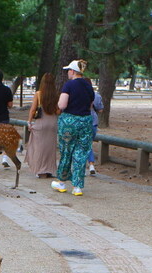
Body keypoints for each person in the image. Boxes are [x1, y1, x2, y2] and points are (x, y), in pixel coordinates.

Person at [51, 59, 94, 196]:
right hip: (86, 121)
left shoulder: (69, 85)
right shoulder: (88, 86)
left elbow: (62, 105)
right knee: (81, 153)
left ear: (73, 71)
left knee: (66, 151)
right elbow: (91, 105)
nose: (68, 73)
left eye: (69, 70)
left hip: (70, 121)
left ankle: (62, 182)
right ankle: (77, 186)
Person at [24, 73, 58, 179]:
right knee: (50, 148)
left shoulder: (39, 94)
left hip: (41, 122)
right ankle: (49, 169)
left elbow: (33, 109)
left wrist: (29, 122)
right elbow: (58, 110)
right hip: (52, 122)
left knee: (39, 147)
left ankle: (40, 169)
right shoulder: (56, 95)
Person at [86, 83, 103, 176]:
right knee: (88, 144)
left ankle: (85, 165)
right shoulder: (96, 95)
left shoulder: (78, 93)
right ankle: (91, 164)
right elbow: (100, 109)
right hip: (93, 121)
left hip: (82, 120)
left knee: (82, 144)